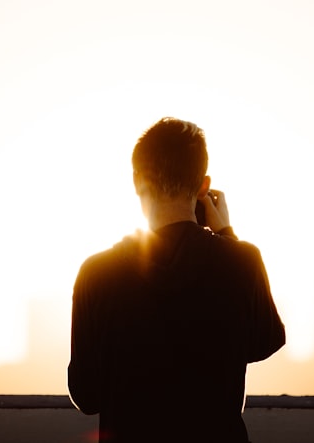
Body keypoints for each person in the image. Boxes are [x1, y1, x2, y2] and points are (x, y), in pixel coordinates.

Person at [68, 117, 286, 443]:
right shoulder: (241, 261)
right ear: (203, 185)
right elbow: (264, 341)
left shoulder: (96, 274)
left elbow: (86, 396)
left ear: (137, 181)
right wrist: (227, 235)